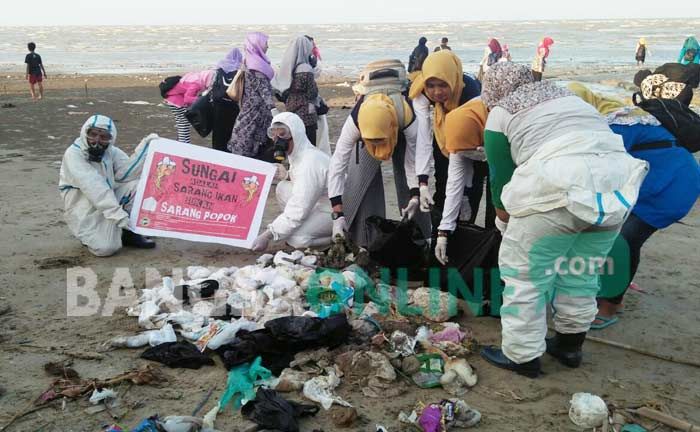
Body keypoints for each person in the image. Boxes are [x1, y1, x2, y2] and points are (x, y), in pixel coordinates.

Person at [478, 62, 648, 377]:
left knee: (525, 276)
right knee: (582, 269)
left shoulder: (500, 114)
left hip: (558, 183)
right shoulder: (570, 98)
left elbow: (501, 192)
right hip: (615, 184)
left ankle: (523, 357)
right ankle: (570, 346)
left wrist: (505, 228)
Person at [568, 83, 700, 329]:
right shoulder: (619, 116)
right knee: (620, 239)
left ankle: (609, 305)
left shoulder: (617, 124)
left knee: (625, 241)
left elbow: (599, 165)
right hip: (655, 183)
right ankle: (610, 295)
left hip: (670, 188)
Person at [328, 85, 430, 247]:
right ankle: (365, 242)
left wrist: (416, 194)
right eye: (373, 143)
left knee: (408, 187)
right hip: (369, 129)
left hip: (397, 123)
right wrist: (337, 214)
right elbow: (337, 165)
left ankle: (424, 240)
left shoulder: (408, 117)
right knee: (363, 183)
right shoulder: (355, 124)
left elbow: (413, 160)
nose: (377, 147)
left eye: (379, 142)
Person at [408, 51, 490, 228]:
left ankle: (469, 232)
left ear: (452, 81)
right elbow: (423, 138)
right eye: (431, 85)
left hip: (479, 139)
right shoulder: (420, 90)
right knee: (443, 184)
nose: (436, 92)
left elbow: (460, 160)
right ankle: (441, 230)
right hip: (444, 127)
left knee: (469, 190)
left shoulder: (471, 94)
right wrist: (422, 184)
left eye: (442, 85)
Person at [59, 115, 160, 256]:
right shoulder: (74, 154)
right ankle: (91, 234)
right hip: (83, 205)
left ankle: (127, 233)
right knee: (105, 248)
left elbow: (126, 174)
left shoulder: (110, 151)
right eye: (93, 134)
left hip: (108, 199)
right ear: (85, 133)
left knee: (139, 187)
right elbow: (95, 189)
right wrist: (119, 216)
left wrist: (146, 147)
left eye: (104, 137)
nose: (97, 141)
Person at [252, 112, 332, 251]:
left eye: (283, 134)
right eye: (274, 134)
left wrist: (268, 235)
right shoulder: (298, 154)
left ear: (296, 133)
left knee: (295, 238)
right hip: (317, 201)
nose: (278, 140)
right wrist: (287, 175)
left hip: (333, 211)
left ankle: (337, 237)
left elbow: (299, 206)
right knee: (282, 187)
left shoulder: (310, 161)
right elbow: (302, 185)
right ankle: (301, 226)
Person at [433, 98, 489, 265]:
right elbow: (455, 184)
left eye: (467, 150)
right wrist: (443, 231)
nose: (464, 153)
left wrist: (493, 152)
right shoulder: (458, 137)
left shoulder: (500, 120)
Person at [228, 32, 276, 160]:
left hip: (250, 108)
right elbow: (263, 90)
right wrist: (274, 110)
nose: (267, 46)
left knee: (248, 139)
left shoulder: (249, 60)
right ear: (257, 44)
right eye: (265, 43)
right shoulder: (257, 65)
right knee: (250, 142)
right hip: (255, 112)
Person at [272, 36, 319, 144]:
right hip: (306, 114)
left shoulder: (287, 67)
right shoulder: (306, 69)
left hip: (291, 109)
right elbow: (312, 93)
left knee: (294, 143)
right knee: (308, 145)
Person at [163, 70, 215, 144]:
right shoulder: (195, 84)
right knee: (184, 123)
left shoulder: (196, 78)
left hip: (171, 99)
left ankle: (180, 142)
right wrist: (201, 99)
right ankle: (184, 144)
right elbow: (187, 99)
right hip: (176, 101)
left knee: (180, 122)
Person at [210, 48, 243, 152]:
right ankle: (229, 153)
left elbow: (213, 85)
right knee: (231, 130)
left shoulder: (220, 68)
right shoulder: (239, 70)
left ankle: (217, 152)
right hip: (233, 105)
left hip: (219, 104)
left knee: (218, 130)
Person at [633, 62, 700, 106]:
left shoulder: (644, 86)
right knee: (684, 113)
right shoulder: (656, 75)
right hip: (686, 90)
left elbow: (649, 102)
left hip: (677, 96)